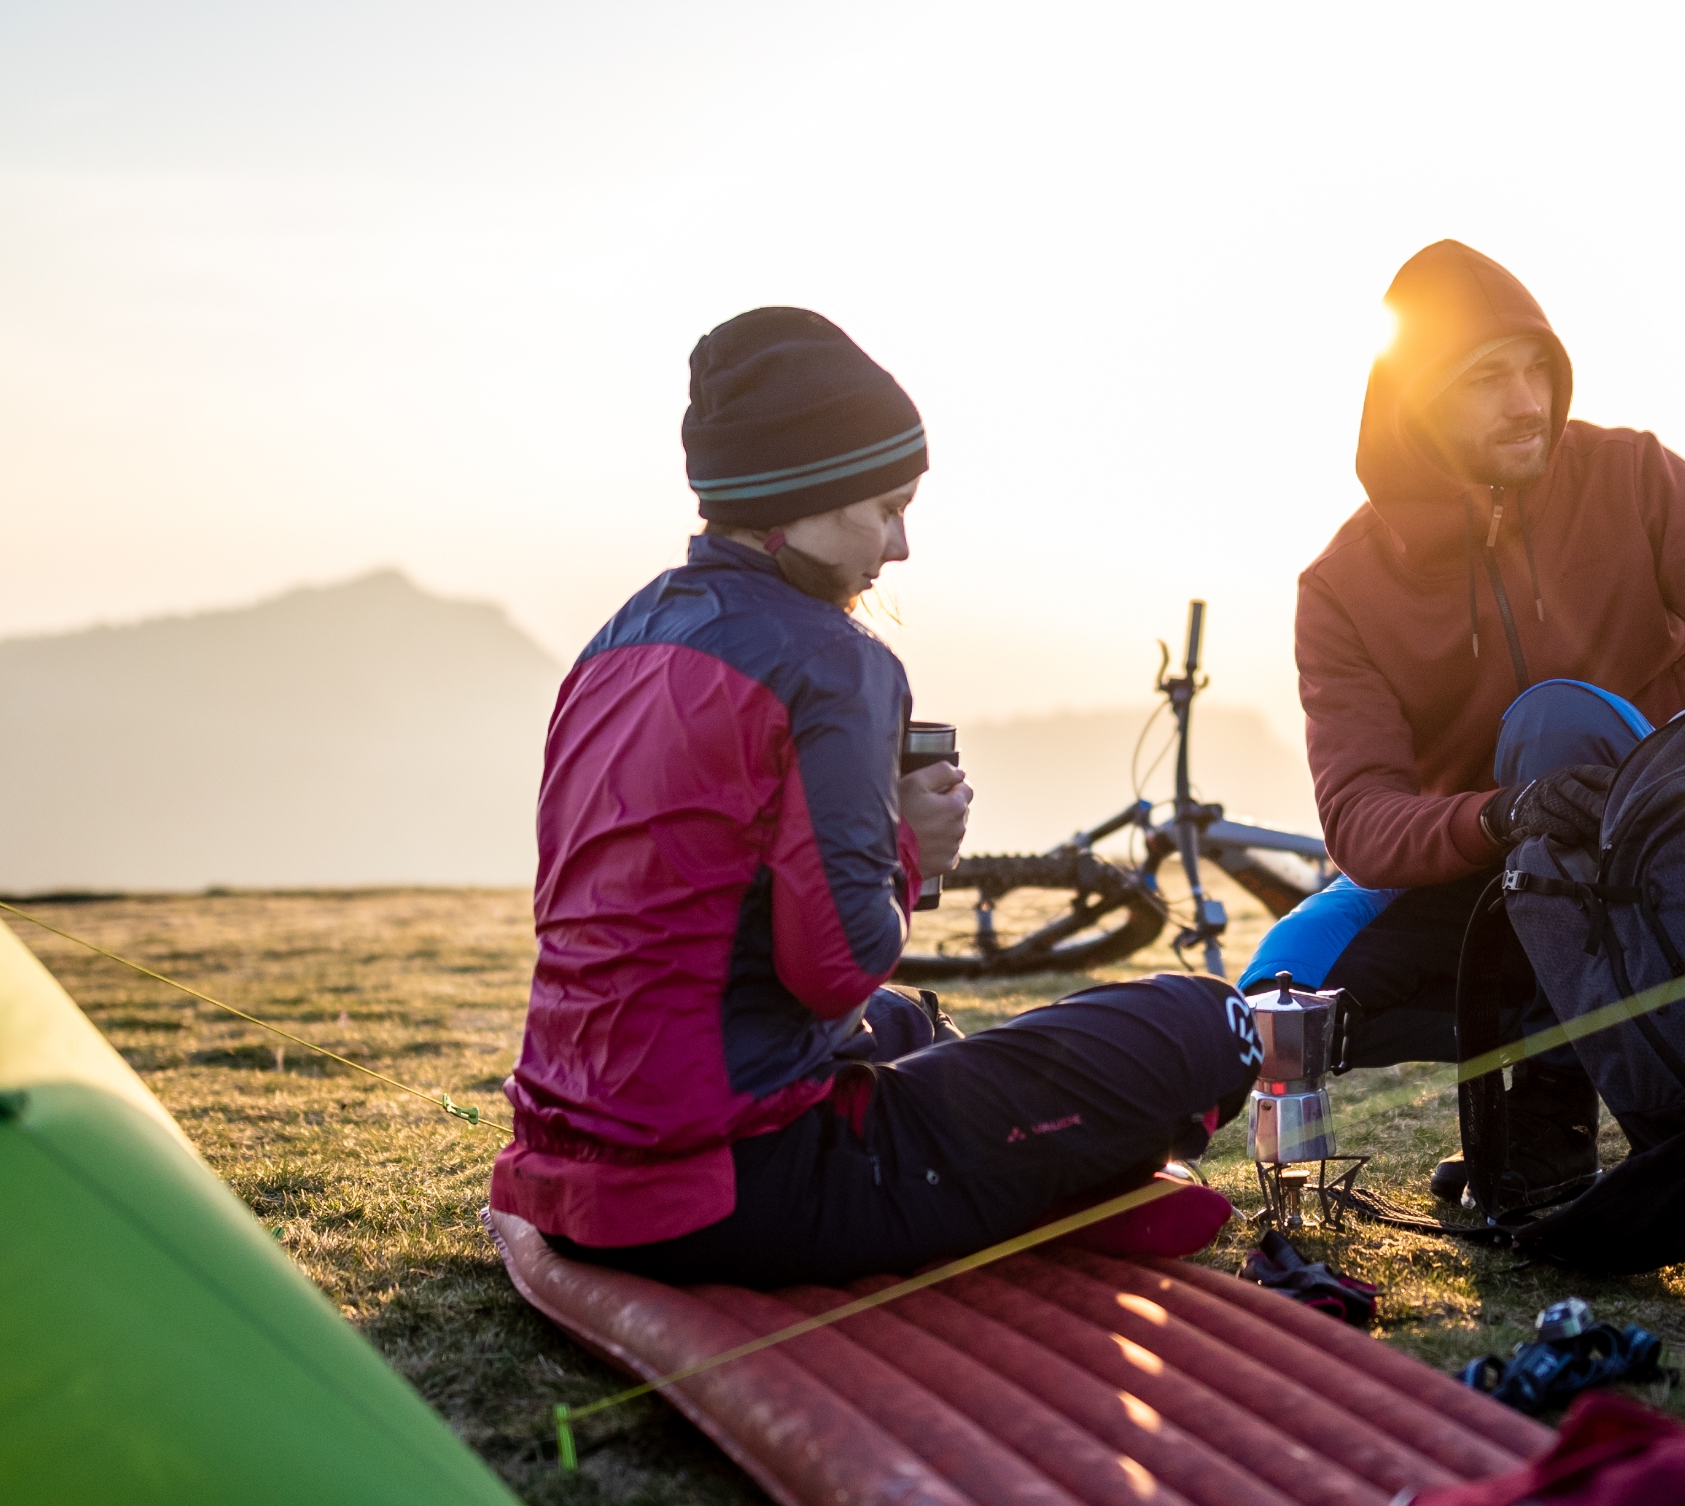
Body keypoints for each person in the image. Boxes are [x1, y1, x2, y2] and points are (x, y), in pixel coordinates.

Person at [490, 307, 1258, 1288]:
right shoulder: (834, 663)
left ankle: (1040, 1162)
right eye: (883, 508)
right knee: (1204, 1022)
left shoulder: (618, 640)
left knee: (905, 1025)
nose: (898, 547)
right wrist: (908, 847)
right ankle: (1074, 1166)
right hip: (730, 1187)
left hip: (571, 1172)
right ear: (797, 494)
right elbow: (836, 963)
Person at [1247, 241, 1685, 1205]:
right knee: (1278, 999)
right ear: (1415, 399)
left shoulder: (1633, 478)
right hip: (1488, 863)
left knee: (1556, 719)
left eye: (1539, 368)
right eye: (1487, 379)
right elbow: (1361, 820)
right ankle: (1522, 1102)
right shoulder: (1343, 587)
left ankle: (1565, 1117)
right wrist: (1504, 816)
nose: (1528, 400)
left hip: (1666, 852)